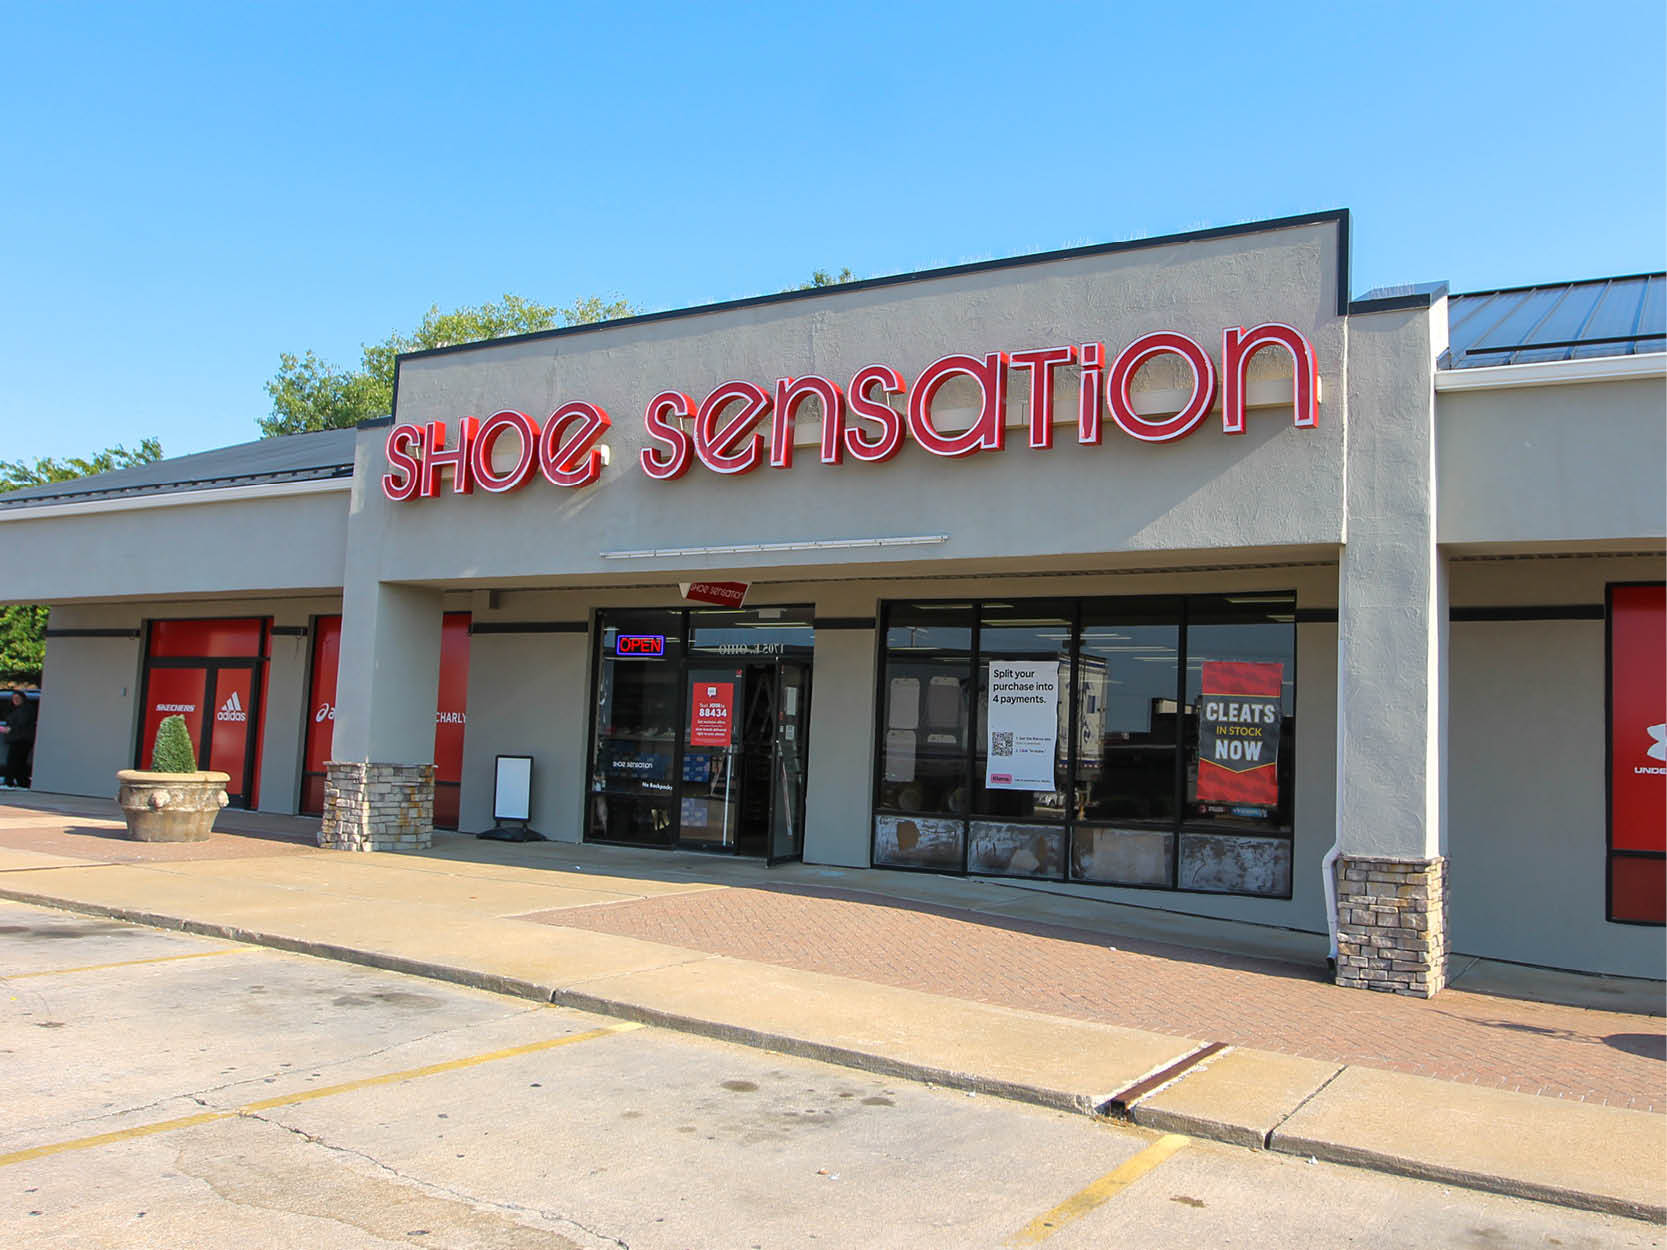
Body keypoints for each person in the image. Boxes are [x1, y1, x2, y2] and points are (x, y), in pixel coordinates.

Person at [2, 691, 36, 788]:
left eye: (18, 698)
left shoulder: (25, 710)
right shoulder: (18, 709)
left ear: (23, 698)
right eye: (13, 698)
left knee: (13, 761)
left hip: (21, 739)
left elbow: (22, 723)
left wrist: (10, 729)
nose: (15, 700)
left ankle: (9, 782)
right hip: (19, 738)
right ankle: (23, 782)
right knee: (18, 762)